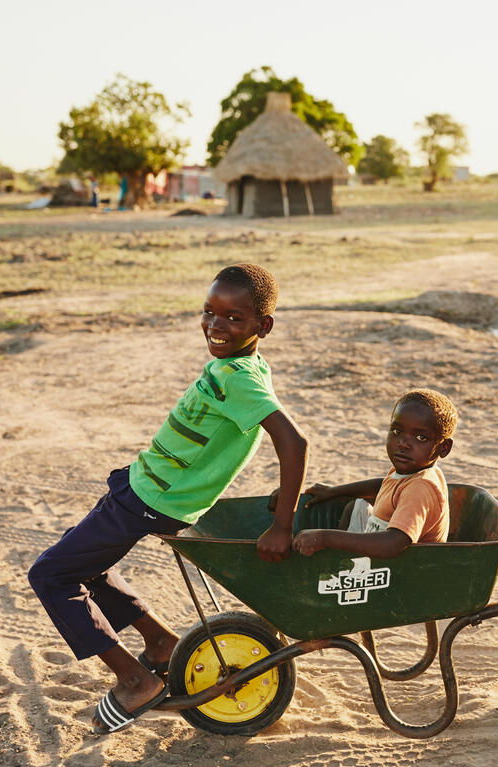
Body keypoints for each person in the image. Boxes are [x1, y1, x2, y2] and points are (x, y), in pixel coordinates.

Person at [28, 263, 308, 735]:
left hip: (149, 500)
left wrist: (283, 525)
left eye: (234, 318)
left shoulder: (241, 378)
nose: (216, 326)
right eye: (210, 312)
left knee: (51, 575)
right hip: (141, 488)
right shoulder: (238, 366)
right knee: (80, 561)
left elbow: (294, 443)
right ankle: (158, 643)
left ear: (264, 326)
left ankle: (135, 679)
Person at [290, 389, 457, 558]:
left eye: (421, 437)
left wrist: (324, 538)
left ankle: (335, 568)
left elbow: (393, 544)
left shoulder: (421, 487)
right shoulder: (410, 468)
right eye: (397, 431)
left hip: (398, 565)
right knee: (356, 507)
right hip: (380, 538)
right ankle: (336, 562)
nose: (403, 444)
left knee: (327, 541)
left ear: (444, 448)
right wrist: (334, 491)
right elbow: (384, 485)